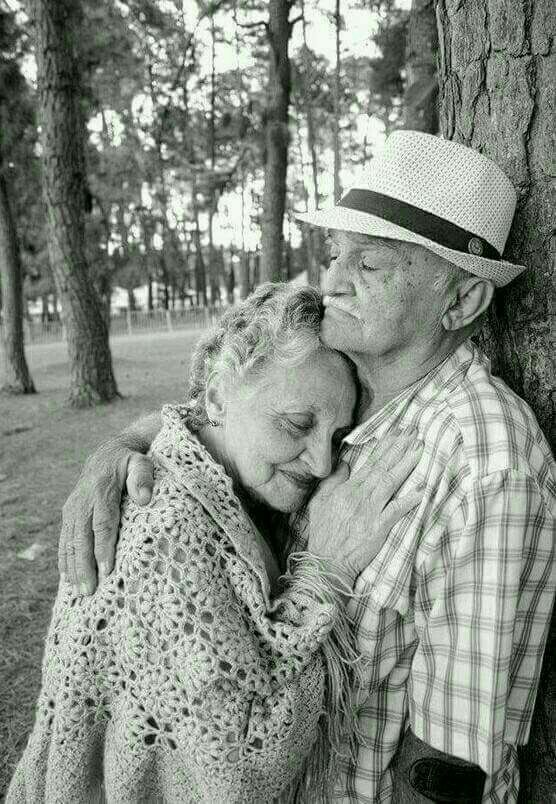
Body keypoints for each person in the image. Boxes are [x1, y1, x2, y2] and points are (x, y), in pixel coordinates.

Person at [57, 131, 555, 803]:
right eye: (336, 254)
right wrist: (122, 444)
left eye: (369, 264)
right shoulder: (348, 383)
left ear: (461, 302)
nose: (333, 281)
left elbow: (447, 768)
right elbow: (231, 404)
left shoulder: (485, 459)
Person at [8, 284, 422, 804]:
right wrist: (325, 570)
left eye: (337, 437)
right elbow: (241, 776)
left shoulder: (216, 475)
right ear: (219, 398)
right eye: (298, 424)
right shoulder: (170, 534)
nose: (322, 464)